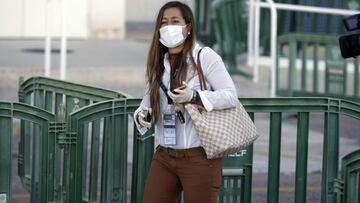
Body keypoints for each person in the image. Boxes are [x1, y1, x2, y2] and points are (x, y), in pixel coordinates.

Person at [133, 1, 238, 202]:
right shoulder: (158, 64)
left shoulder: (204, 57)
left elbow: (231, 95)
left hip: (200, 158)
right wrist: (141, 116)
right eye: (163, 23)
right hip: (164, 156)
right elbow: (145, 105)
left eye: (175, 21)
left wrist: (195, 96)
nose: (168, 27)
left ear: (188, 27)